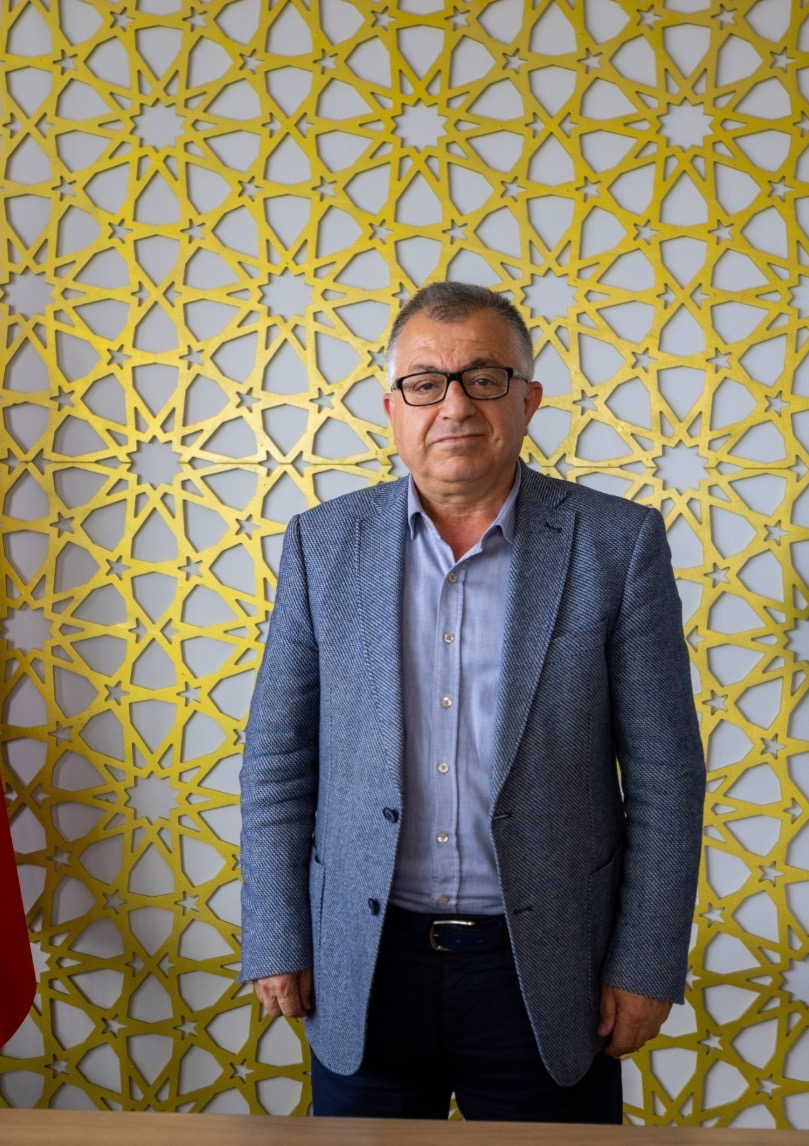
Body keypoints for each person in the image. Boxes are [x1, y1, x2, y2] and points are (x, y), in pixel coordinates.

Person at [238, 281, 705, 1123]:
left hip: (549, 969)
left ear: (528, 400)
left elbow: (667, 777)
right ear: (393, 408)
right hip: (364, 964)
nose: (455, 406)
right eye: (426, 383)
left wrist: (646, 961)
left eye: (484, 379)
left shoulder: (617, 544)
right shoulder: (322, 544)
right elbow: (278, 758)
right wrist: (276, 933)